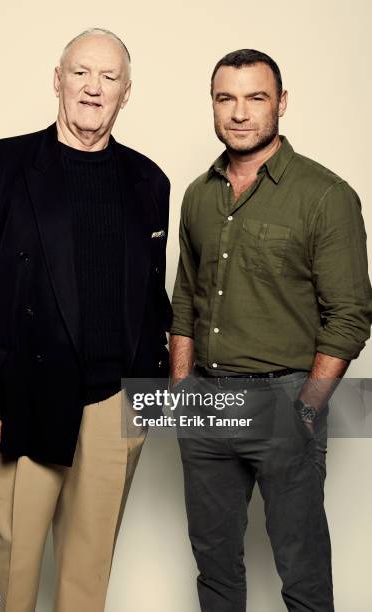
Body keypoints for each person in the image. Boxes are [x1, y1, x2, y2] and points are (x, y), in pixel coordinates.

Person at [0, 28, 172, 612]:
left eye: (109, 77)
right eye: (81, 73)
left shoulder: (149, 180)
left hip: (114, 403)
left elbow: (150, 296)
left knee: (87, 577)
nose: (93, 89)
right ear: (57, 80)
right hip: (24, 397)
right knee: (7, 575)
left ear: (126, 93)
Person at [170, 48, 372, 612]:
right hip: (206, 399)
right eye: (225, 98)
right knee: (213, 567)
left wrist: (307, 406)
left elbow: (351, 315)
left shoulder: (325, 196)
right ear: (212, 104)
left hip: (284, 397)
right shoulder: (198, 195)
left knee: (301, 570)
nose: (239, 113)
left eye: (255, 98)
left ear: (280, 104)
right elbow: (184, 298)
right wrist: (182, 391)